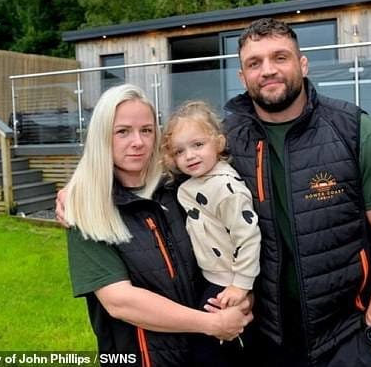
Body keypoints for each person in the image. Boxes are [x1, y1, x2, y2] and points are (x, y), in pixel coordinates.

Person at [218, 18, 371, 366]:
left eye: (280, 57)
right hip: (259, 338)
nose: (267, 70)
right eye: (254, 63)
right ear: (242, 77)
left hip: (345, 339)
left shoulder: (355, 131)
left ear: (302, 64)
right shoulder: (222, 143)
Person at [62, 84, 252, 366]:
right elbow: (120, 301)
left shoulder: (182, 187)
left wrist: (242, 296)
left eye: (147, 130)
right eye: (123, 131)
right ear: (102, 136)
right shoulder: (86, 208)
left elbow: (234, 237)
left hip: (210, 352)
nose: (137, 142)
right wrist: (212, 324)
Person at [160, 100, 261, 365]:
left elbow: (249, 236)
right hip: (209, 278)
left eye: (198, 145)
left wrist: (241, 285)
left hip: (226, 285)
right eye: (180, 151)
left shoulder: (226, 189)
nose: (190, 156)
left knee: (211, 350)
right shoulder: (194, 183)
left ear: (218, 143)